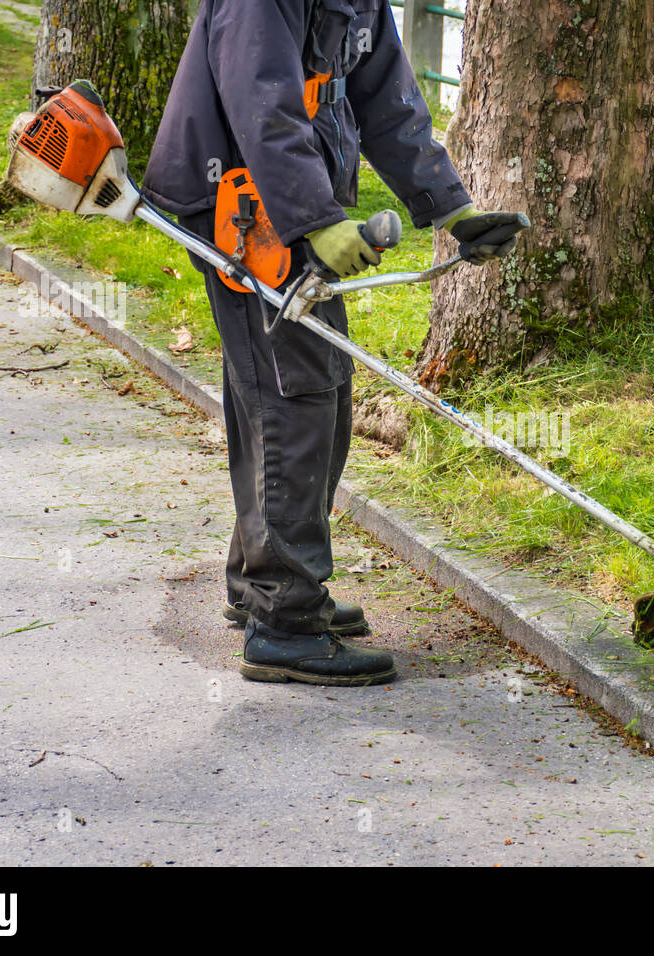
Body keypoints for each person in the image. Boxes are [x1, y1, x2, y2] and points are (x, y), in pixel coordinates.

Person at [142, 0, 525, 686]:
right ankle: (284, 621)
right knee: (299, 397)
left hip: (280, 199)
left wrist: (453, 210)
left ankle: (260, 583)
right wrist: (316, 220)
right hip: (242, 200)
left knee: (289, 391)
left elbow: (389, 101)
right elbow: (264, 103)